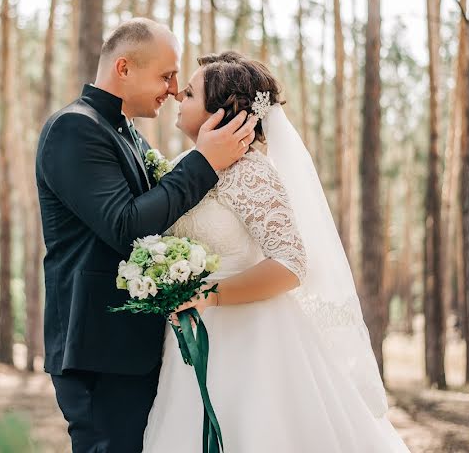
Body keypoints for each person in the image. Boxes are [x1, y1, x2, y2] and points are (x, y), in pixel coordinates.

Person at [142, 51, 410, 452]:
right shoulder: (182, 166)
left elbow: (290, 265)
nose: (179, 96)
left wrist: (210, 296)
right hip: (191, 339)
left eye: (191, 93)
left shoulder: (250, 171)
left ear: (221, 113)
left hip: (253, 342)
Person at [35, 20, 259, 453]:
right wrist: (204, 163)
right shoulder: (74, 129)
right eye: (166, 75)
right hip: (100, 348)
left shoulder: (126, 133)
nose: (175, 89)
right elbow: (127, 225)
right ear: (123, 67)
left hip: (134, 348)